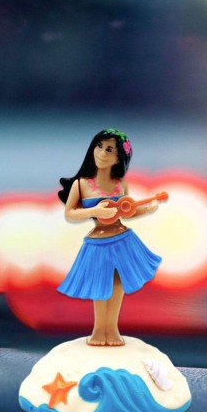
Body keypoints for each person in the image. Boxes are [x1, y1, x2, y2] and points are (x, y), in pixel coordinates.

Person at [57, 129, 162, 346]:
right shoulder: (81, 184)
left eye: (109, 150)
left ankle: (112, 328)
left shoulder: (120, 184)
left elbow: (127, 210)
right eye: (99, 146)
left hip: (122, 239)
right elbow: (70, 213)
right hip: (98, 242)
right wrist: (94, 211)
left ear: (118, 158)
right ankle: (98, 330)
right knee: (100, 285)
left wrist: (147, 208)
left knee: (117, 284)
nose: (102, 153)